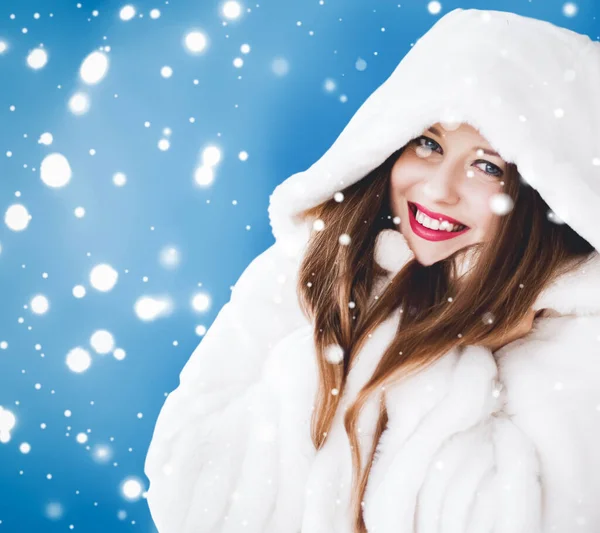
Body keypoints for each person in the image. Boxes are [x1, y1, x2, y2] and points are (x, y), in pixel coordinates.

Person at [144, 8, 600, 533]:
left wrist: (433, 346)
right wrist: (372, 329)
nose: (437, 188)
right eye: (428, 143)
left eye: (488, 165)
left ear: (543, 196)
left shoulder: (577, 330)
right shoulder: (311, 265)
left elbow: (525, 518)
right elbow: (186, 486)